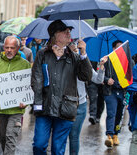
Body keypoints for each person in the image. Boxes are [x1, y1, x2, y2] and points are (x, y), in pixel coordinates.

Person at [31, 20, 92, 155]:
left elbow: (86, 76)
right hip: (45, 107)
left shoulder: (74, 56)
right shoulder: (43, 54)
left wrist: (83, 54)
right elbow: (36, 80)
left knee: (58, 149)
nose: (68, 33)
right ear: (55, 35)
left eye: (69, 31)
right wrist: (38, 105)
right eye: (64, 31)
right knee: (39, 145)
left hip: (65, 108)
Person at [0, 36, 31, 154]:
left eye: (12, 48)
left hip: (16, 109)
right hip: (1, 108)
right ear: (3, 47)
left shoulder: (24, 64)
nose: (9, 50)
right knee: (3, 136)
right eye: (7, 47)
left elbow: (28, 86)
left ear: (18, 48)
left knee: (11, 136)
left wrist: (26, 102)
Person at [68, 41, 108, 155]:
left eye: (76, 44)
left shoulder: (83, 62)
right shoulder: (62, 62)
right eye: (72, 44)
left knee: (74, 136)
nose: (74, 47)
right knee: (59, 136)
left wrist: (101, 66)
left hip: (80, 104)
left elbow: (98, 80)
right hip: (64, 104)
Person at [103, 40, 126, 148]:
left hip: (122, 92)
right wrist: (107, 79)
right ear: (113, 48)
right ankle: (109, 136)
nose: (120, 49)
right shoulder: (106, 60)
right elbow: (98, 75)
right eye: (118, 47)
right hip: (110, 91)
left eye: (122, 47)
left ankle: (116, 134)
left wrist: (126, 83)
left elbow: (131, 77)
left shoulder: (127, 61)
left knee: (119, 115)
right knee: (111, 113)